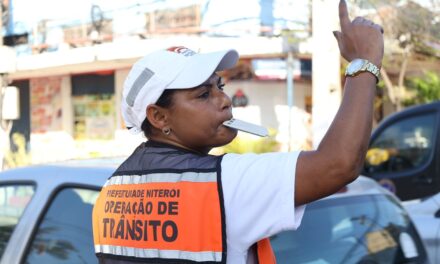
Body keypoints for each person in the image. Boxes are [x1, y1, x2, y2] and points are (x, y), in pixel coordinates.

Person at [92, 1, 384, 263]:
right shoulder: (223, 182)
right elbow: (339, 164)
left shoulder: (110, 192)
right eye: (203, 95)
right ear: (158, 116)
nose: (224, 100)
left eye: (219, 87)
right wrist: (363, 63)